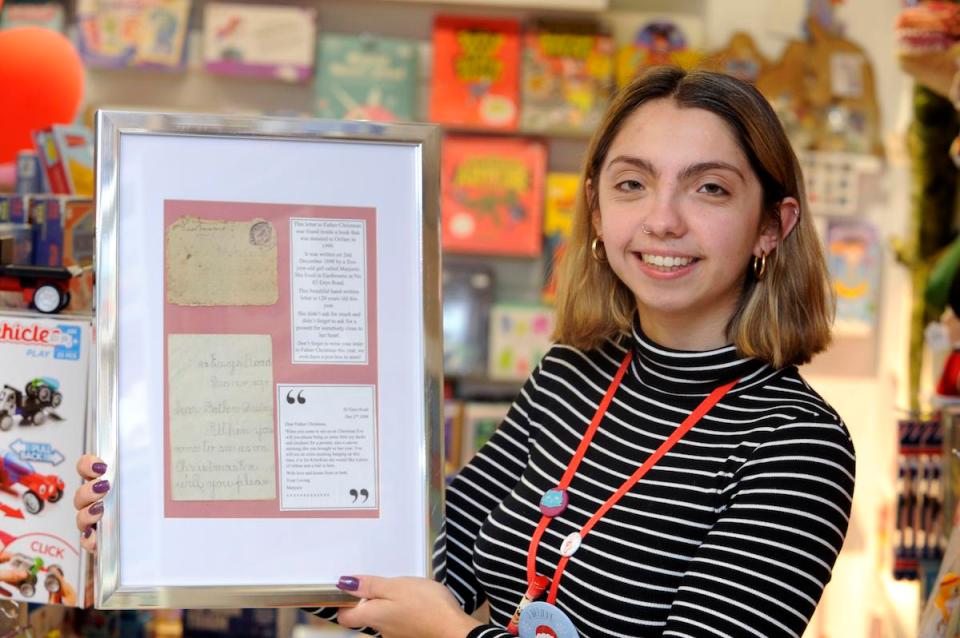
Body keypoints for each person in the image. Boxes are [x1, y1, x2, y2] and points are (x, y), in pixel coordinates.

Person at [73, 66, 855, 638]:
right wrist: (159, 512)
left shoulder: (796, 444)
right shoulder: (573, 376)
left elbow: (439, 613)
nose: (663, 220)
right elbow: (424, 566)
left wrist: (452, 636)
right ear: (595, 208)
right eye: (631, 184)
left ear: (771, 226)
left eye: (709, 189)